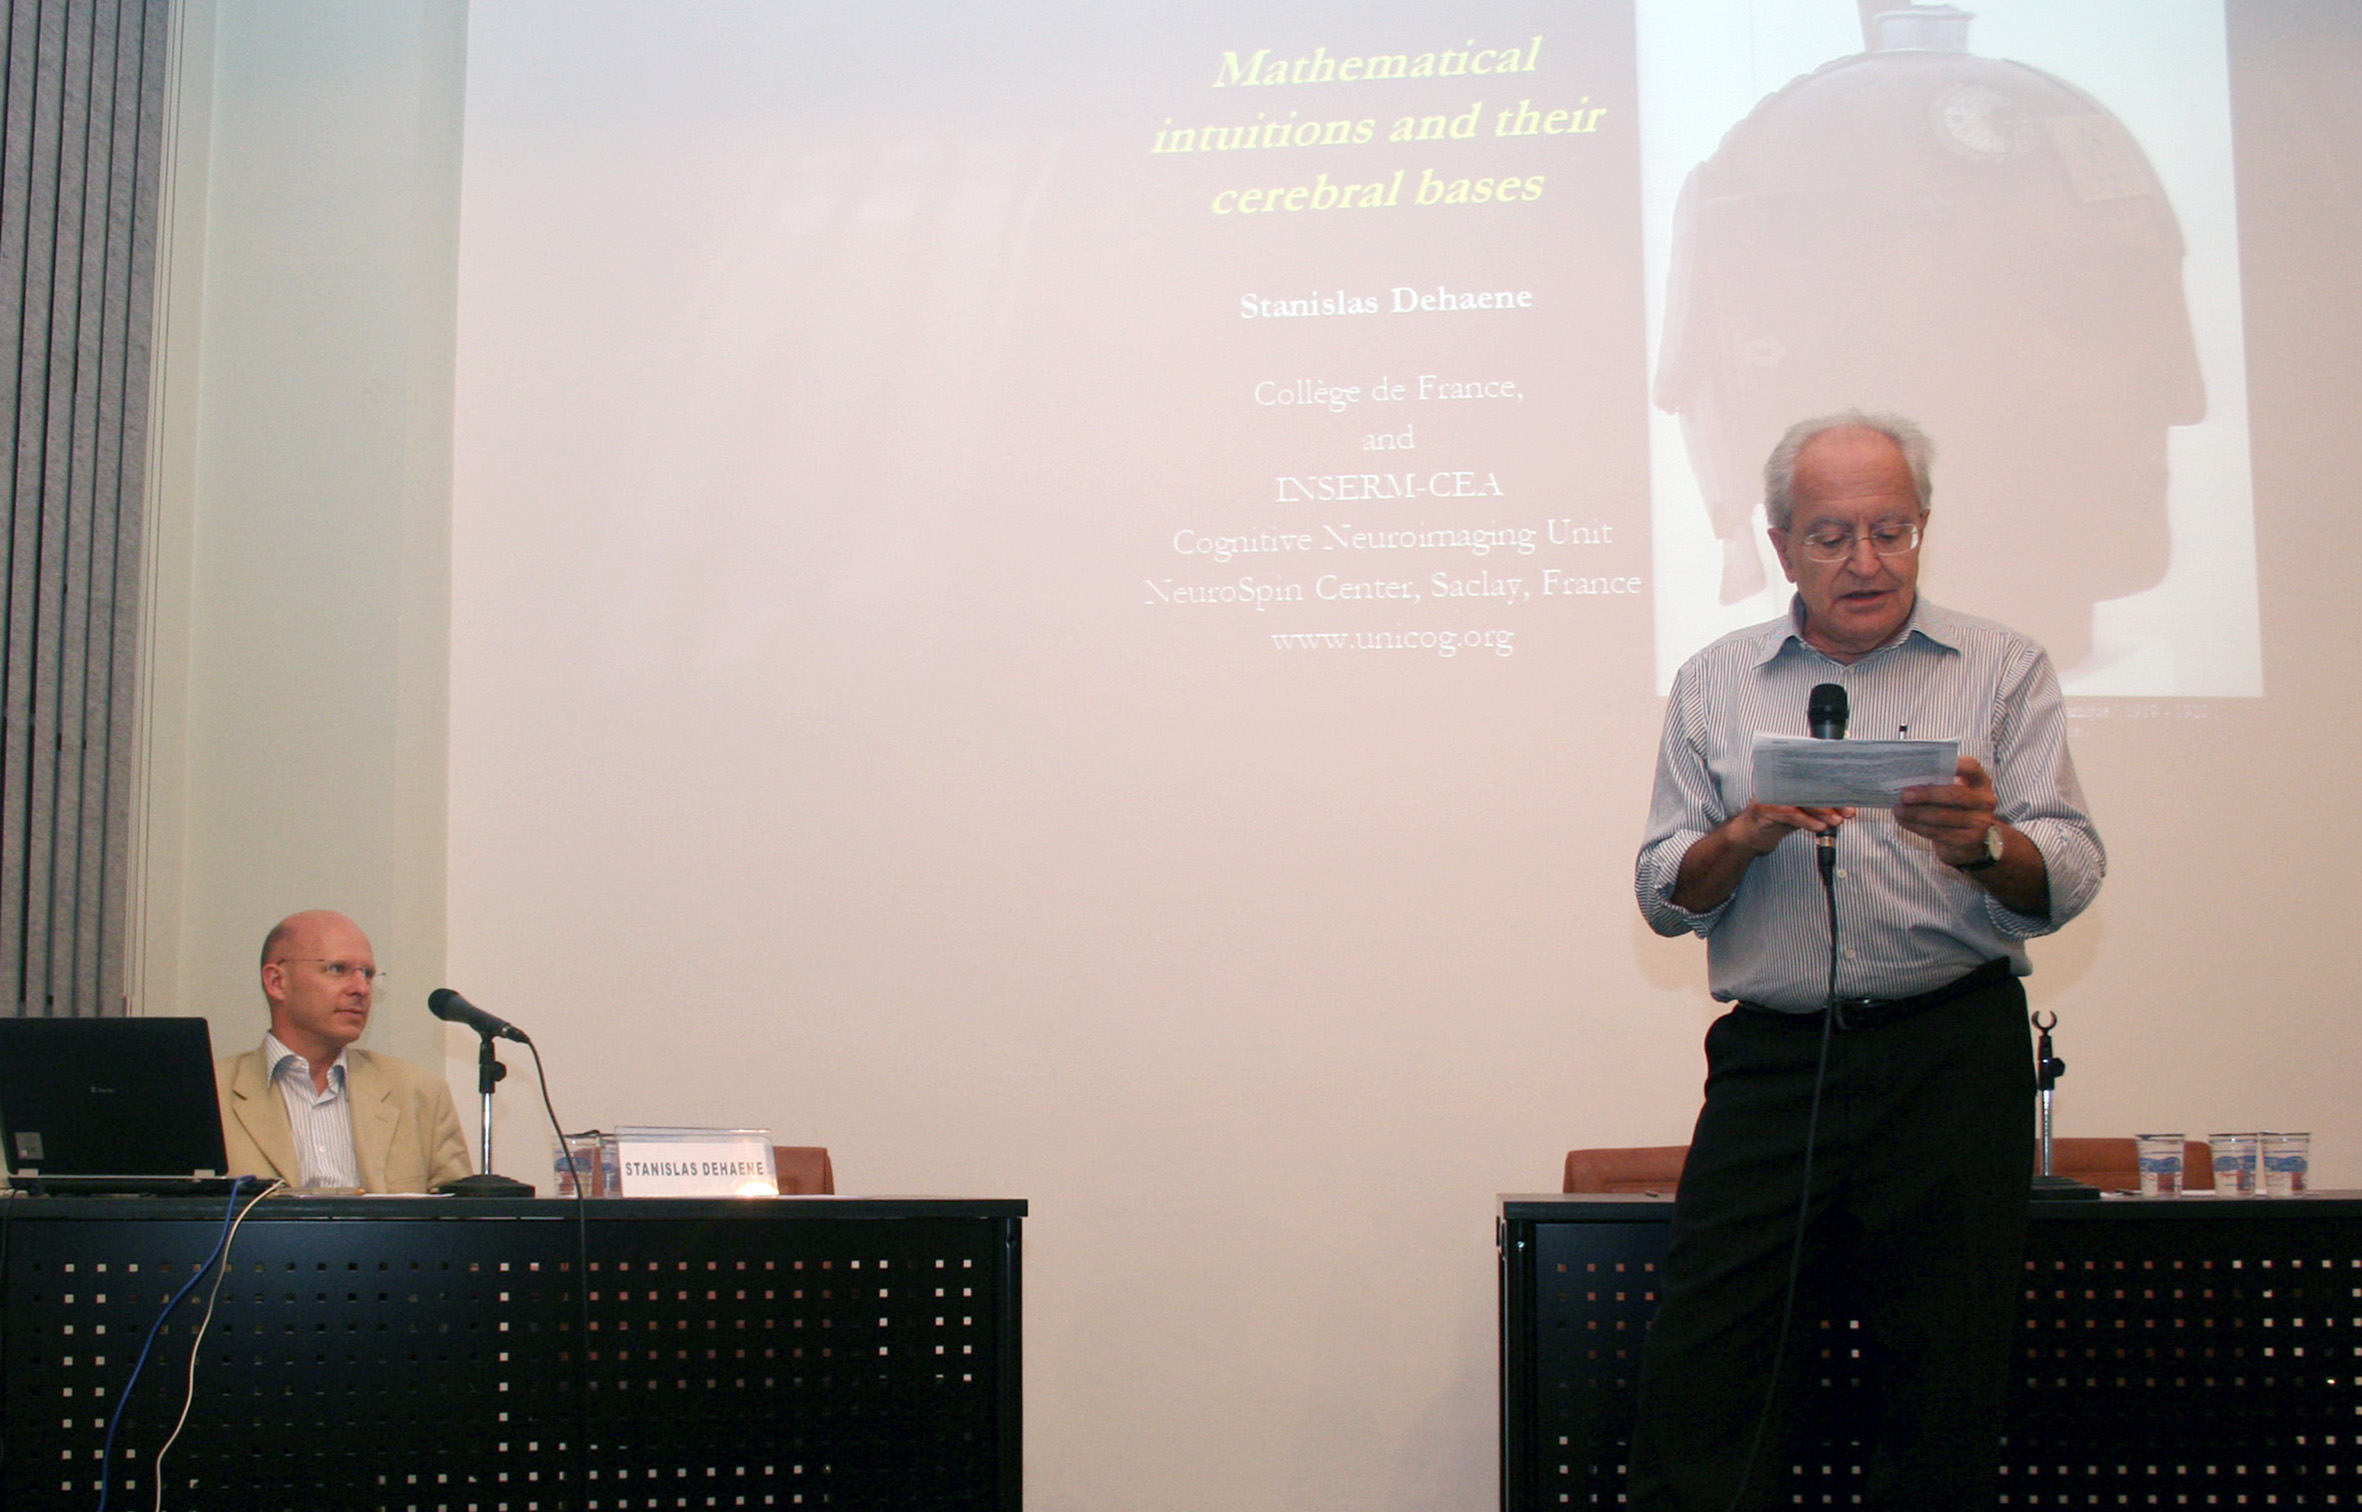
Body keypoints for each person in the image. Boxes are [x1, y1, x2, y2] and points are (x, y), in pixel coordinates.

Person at [1628, 412, 2105, 1510]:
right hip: (1776, 1064)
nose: (1867, 561)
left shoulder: (2001, 666)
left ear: (1923, 528)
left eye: (1892, 530)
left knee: (1942, 1382)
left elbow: (2071, 871)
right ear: (1782, 543)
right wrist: (1741, 836)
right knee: (1709, 1371)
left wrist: (1983, 846)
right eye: (1834, 535)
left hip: (1948, 1053)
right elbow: (1662, 892)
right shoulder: (1714, 680)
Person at [216, 909, 472, 1193]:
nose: (361, 988)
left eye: (368, 974)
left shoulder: (420, 1094)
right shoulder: (209, 1094)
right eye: (338, 969)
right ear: (277, 982)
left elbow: (458, 1224)